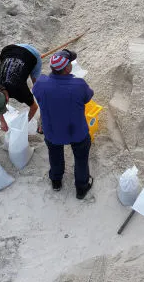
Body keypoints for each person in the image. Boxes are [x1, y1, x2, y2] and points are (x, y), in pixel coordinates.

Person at [32, 49, 94, 199]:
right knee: (80, 158)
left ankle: (56, 181)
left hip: (52, 131)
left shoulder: (41, 83)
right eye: (71, 63)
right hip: (76, 131)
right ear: (66, 68)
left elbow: (37, 95)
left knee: (55, 155)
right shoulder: (79, 85)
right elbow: (88, 97)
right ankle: (81, 187)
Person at [0, 43, 43, 132]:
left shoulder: (19, 90)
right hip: (9, 50)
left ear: (7, 98)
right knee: (21, 72)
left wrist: (22, 124)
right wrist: (3, 121)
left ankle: (43, 120)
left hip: (32, 54)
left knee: (39, 90)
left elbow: (34, 107)